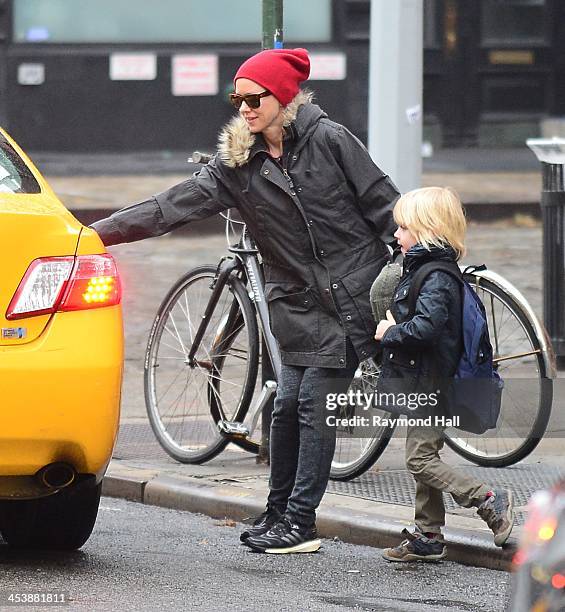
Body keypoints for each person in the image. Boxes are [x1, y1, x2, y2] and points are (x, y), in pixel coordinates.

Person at [90, 48, 400, 554]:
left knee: (313, 406)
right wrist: (97, 233)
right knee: (284, 406)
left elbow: (384, 201)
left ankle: (300, 521)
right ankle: (279, 511)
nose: (245, 108)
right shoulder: (236, 165)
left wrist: (419, 259)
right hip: (296, 299)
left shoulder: (331, 140)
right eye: (238, 99)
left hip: (352, 294)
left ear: (284, 96)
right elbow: (172, 206)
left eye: (254, 97)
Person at [374, 187, 515, 562]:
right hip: (428, 378)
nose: (397, 236)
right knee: (424, 455)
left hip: (433, 382)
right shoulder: (426, 269)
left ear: (427, 231)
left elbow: (427, 329)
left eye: (403, 228)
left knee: (420, 460)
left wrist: (391, 333)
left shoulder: (435, 276)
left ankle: (487, 498)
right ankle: (428, 535)